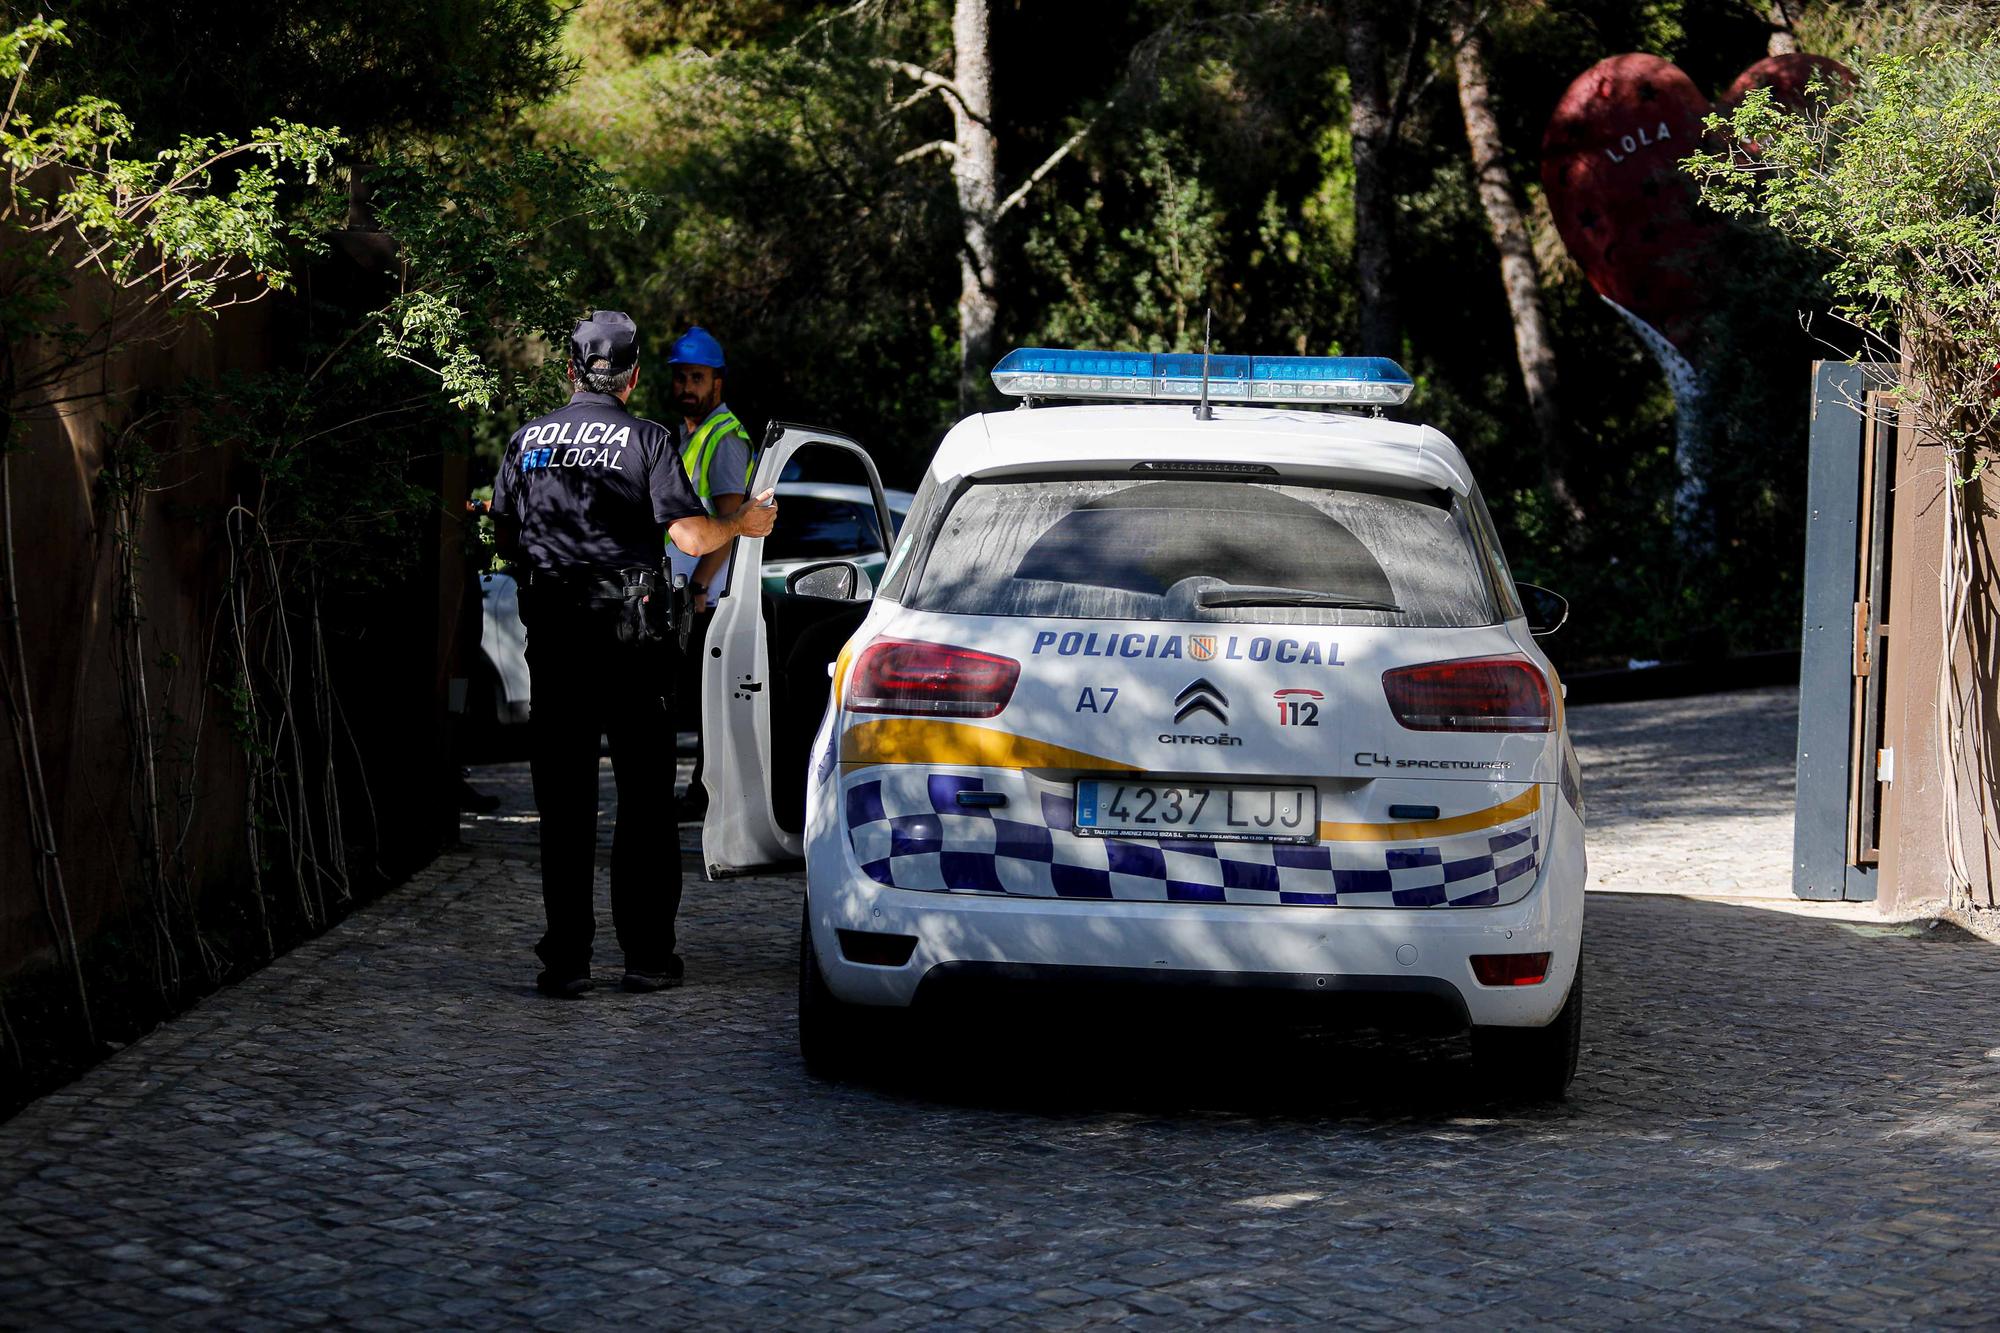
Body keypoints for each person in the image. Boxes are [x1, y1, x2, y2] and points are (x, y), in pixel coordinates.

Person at [489, 310, 777, 998]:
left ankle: (567, 959)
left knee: (564, 799)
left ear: (570, 369)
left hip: (556, 641)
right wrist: (743, 521)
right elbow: (690, 537)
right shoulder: (647, 440)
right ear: (635, 375)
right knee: (644, 798)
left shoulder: (527, 440)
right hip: (631, 642)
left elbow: (505, 536)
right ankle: (646, 956)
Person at [665, 325, 755, 819]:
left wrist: (699, 585)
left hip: (707, 597)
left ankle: (705, 796)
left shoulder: (722, 438)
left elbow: (731, 523)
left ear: (718, 383)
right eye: (680, 377)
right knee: (696, 702)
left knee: (705, 705)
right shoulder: (687, 434)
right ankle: (701, 793)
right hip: (689, 591)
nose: (686, 387)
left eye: (696, 378)